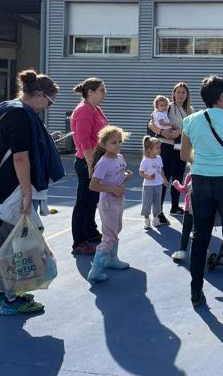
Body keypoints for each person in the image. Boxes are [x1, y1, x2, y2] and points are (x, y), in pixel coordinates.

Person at [0, 69, 65, 316]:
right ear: (38, 94)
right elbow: (19, 157)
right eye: (48, 102)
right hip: (12, 190)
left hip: (3, 187)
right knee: (18, 246)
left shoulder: (11, 110)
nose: (47, 107)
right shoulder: (20, 116)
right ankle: (9, 298)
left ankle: (1, 293)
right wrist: (27, 194)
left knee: (11, 244)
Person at [180, 75, 223, 309]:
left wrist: (201, 162)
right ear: (221, 97)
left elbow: (184, 155)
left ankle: (196, 290)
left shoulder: (190, 120)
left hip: (201, 180)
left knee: (200, 236)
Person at [87, 126, 133, 283]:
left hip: (119, 200)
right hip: (108, 202)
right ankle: (95, 270)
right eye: (114, 142)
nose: (118, 145)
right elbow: (93, 185)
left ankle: (111, 260)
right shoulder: (104, 162)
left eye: (120, 141)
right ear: (103, 144)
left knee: (116, 230)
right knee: (109, 236)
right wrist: (112, 189)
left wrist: (126, 176)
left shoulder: (119, 157)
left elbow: (117, 175)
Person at [70, 77, 108, 256]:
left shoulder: (96, 109)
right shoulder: (84, 111)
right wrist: (91, 165)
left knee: (93, 199)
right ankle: (79, 242)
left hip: (97, 160)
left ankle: (90, 231)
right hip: (87, 161)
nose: (104, 93)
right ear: (90, 92)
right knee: (83, 201)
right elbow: (84, 141)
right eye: (101, 90)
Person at [149, 82, 193, 219]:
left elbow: (191, 128)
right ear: (173, 93)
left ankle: (175, 207)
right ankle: (158, 211)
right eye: (178, 92)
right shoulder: (166, 107)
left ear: (187, 95)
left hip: (182, 147)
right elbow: (150, 123)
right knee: (164, 177)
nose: (180, 94)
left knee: (178, 178)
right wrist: (162, 131)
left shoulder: (190, 110)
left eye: (183, 92)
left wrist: (179, 132)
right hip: (167, 147)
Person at [139, 136, 167, 230]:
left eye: (159, 147)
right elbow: (141, 172)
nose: (159, 150)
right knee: (147, 203)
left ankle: (155, 218)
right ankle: (147, 219)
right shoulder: (145, 161)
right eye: (157, 148)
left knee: (157, 203)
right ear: (149, 149)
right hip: (148, 186)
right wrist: (148, 177)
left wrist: (164, 179)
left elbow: (161, 170)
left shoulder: (159, 158)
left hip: (158, 184)